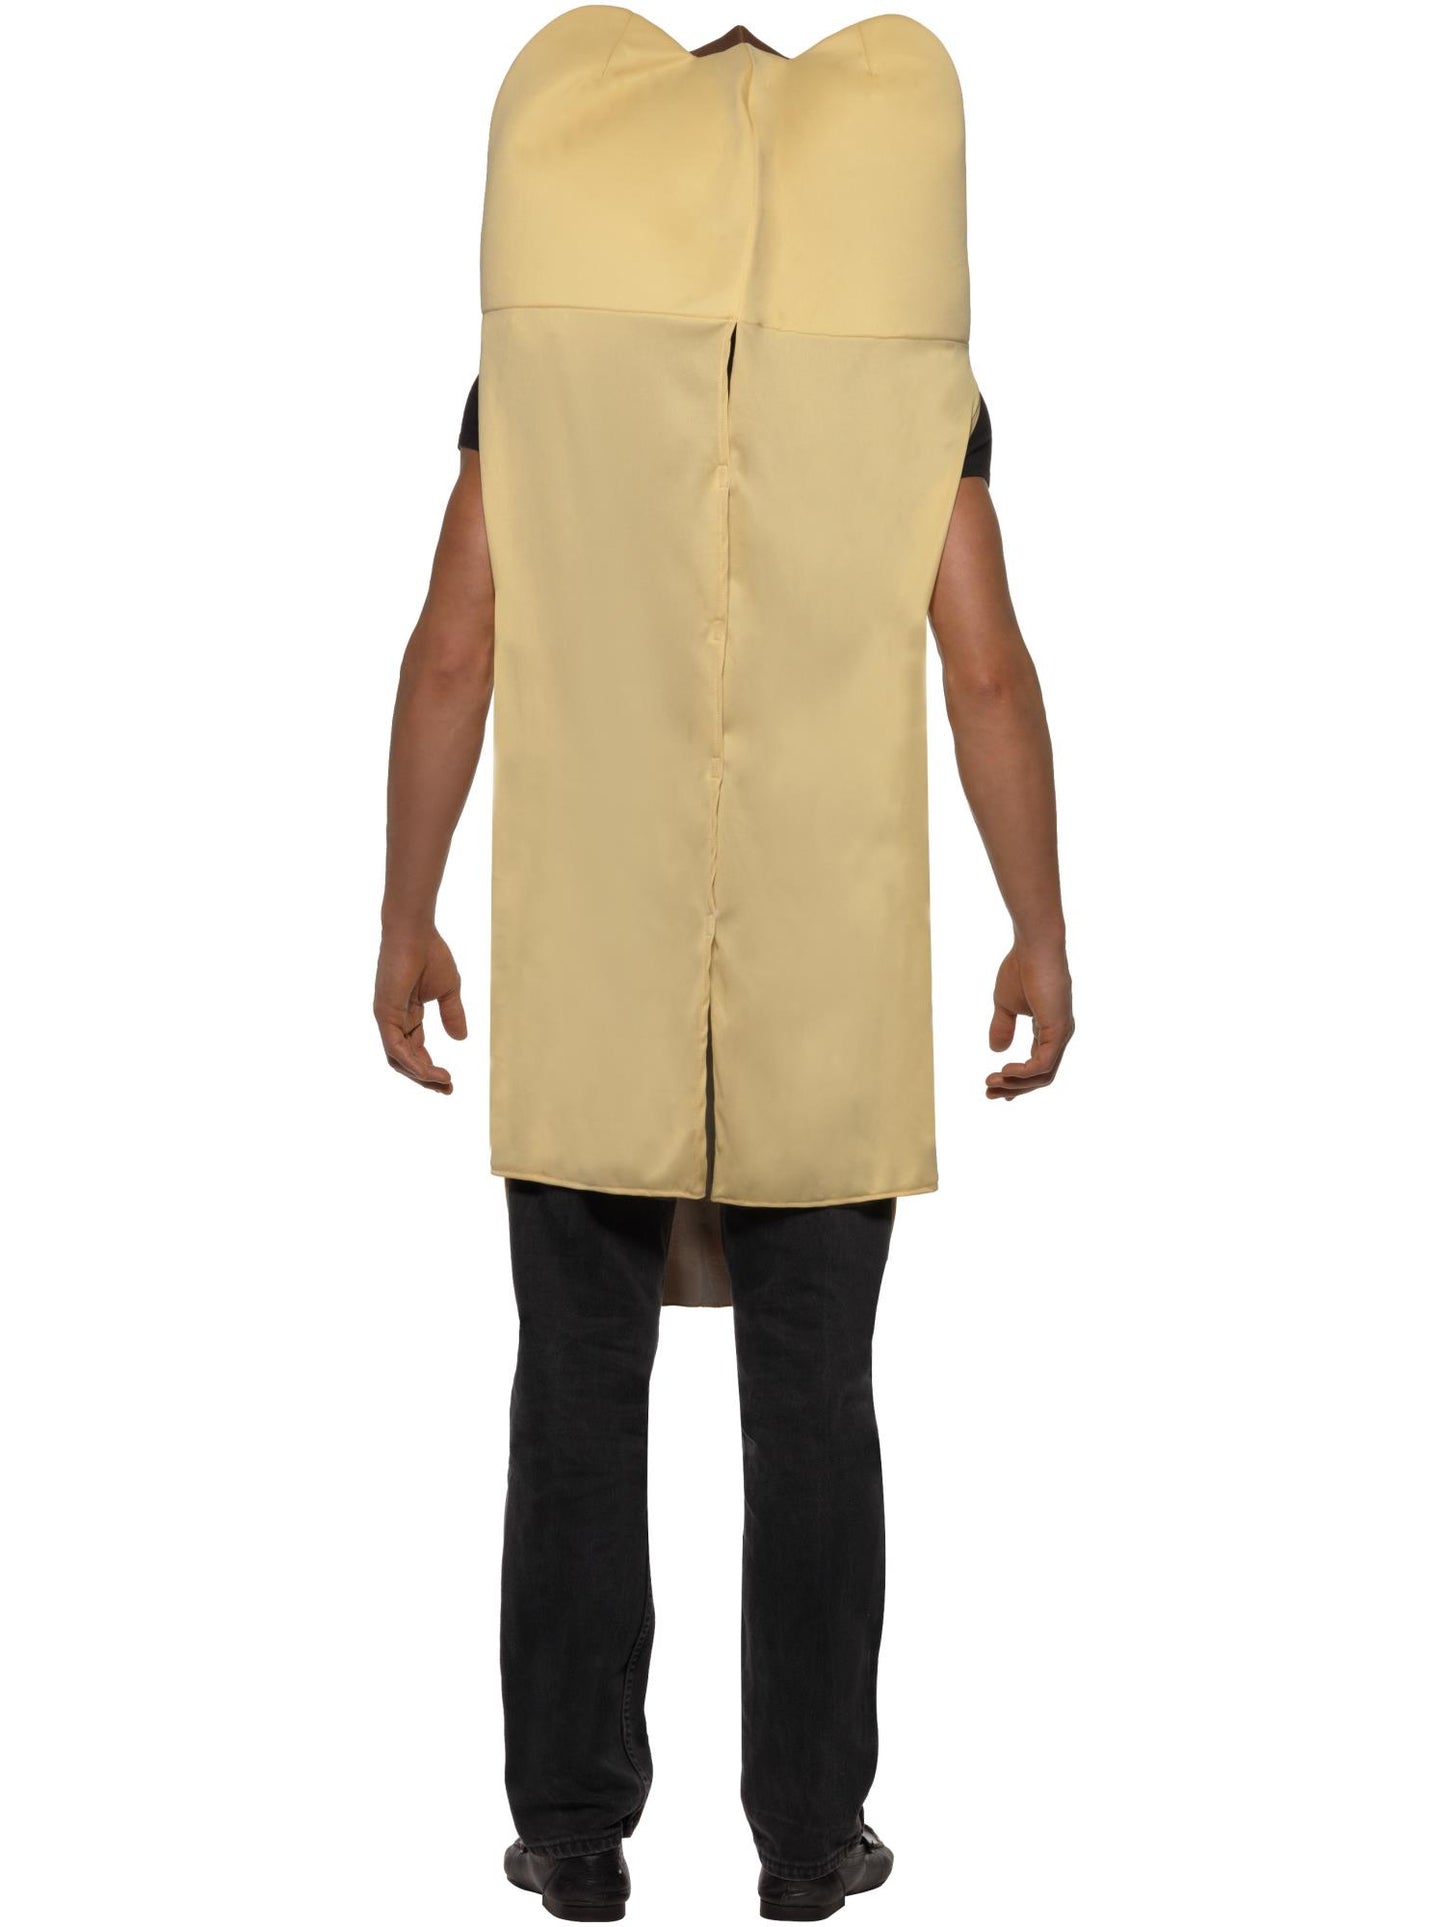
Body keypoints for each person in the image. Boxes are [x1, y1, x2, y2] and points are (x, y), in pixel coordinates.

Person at [374, 15, 1073, 1922]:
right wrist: (1037, 925)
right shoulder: (915, 376)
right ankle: (805, 1840)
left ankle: (572, 1829)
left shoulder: (538, 369)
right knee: (816, 1410)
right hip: (827, 964)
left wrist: (404, 909)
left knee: (575, 1401)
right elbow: (984, 665)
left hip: (587, 952)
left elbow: (454, 642)